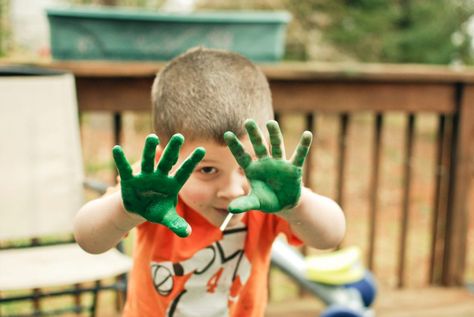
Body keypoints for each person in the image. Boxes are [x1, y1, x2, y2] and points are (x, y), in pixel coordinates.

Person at [74, 47, 346, 317]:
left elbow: (330, 236)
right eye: (207, 170)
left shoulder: (268, 196)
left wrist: (296, 205)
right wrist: (125, 210)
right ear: (165, 161)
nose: (232, 191)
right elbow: (88, 239)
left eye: (245, 166)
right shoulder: (154, 190)